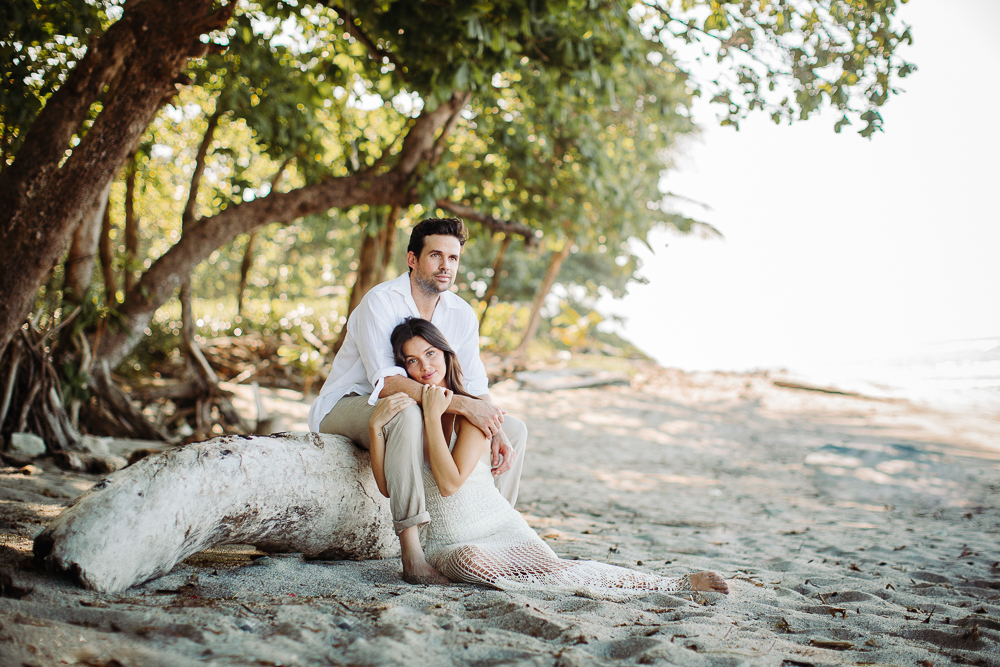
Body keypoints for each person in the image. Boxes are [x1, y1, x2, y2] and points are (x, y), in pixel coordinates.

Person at [370, 318, 730, 596]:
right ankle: (663, 585)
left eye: (431, 353)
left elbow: (449, 482)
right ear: (405, 369)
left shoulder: (474, 414)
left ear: (446, 354)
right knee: (473, 562)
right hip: (448, 543)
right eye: (412, 361)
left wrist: (436, 414)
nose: (425, 367)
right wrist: (375, 429)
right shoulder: (408, 417)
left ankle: (668, 586)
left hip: (497, 523)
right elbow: (388, 488)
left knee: (555, 568)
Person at [308, 218, 528, 585]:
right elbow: (388, 382)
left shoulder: (460, 313)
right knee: (406, 414)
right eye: (436, 256)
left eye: (453, 258)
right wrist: (463, 405)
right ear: (412, 258)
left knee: (514, 429)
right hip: (350, 403)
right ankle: (412, 554)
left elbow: (474, 382)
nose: (446, 266)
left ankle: (493, 531)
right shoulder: (379, 301)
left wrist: (493, 422)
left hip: (423, 402)